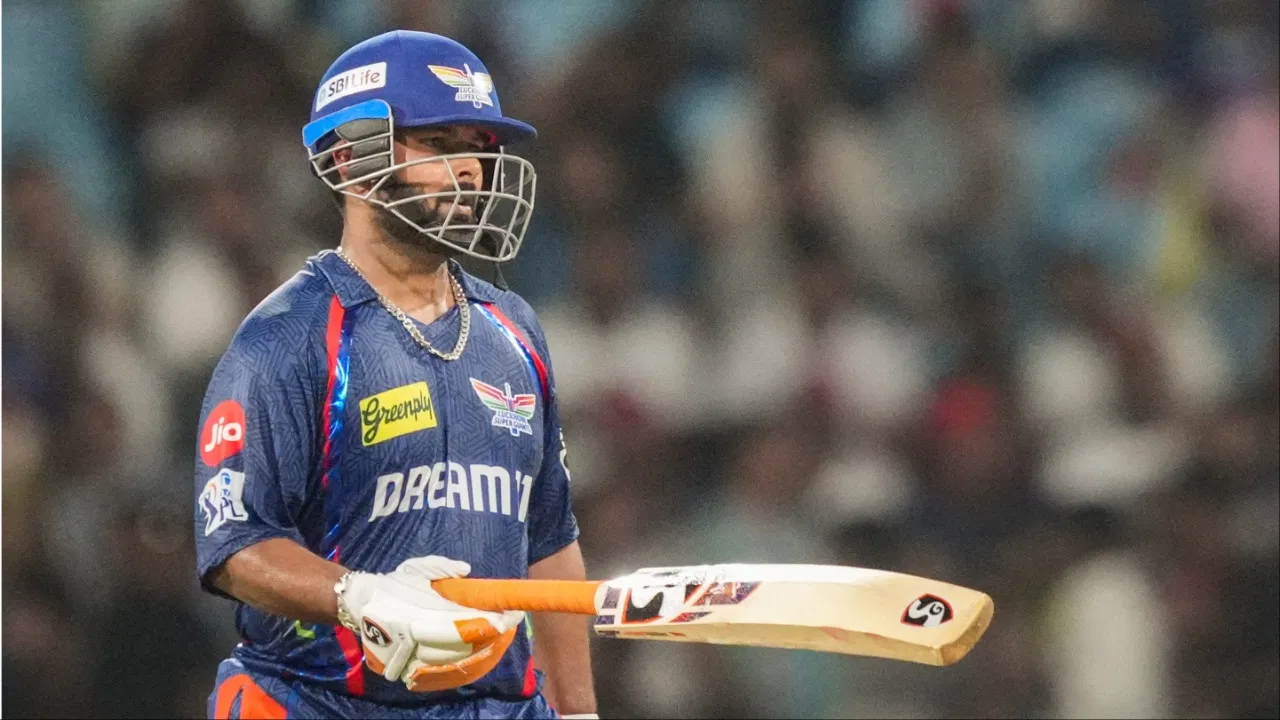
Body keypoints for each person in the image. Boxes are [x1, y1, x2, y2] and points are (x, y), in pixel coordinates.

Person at [193, 30, 597, 719]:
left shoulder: (515, 329)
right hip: (318, 702)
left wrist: (579, 713)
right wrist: (359, 596)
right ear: (350, 158)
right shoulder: (289, 337)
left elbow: (551, 544)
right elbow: (235, 544)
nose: (471, 170)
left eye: (479, 148)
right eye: (440, 144)